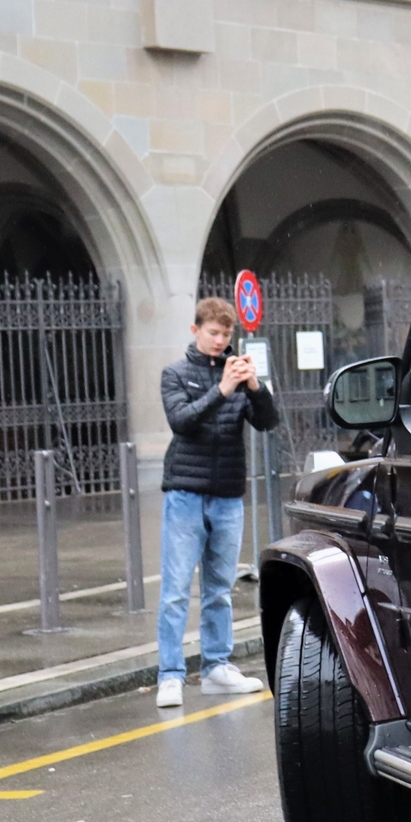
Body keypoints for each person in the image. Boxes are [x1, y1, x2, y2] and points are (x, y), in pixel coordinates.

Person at [157, 297, 278, 708]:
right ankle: (170, 674)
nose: (219, 340)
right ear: (196, 331)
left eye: (226, 334)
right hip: (185, 494)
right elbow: (182, 421)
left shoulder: (239, 377)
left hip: (227, 494)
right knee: (175, 590)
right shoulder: (174, 373)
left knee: (220, 590)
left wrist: (254, 387)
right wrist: (222, 390)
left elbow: (268, 422)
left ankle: (216, 668)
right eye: (212, 332)